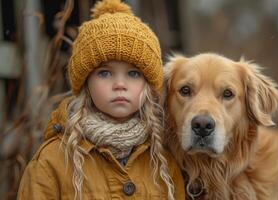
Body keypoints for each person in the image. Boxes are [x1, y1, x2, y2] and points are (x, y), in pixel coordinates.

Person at [17, 0, 185, 199]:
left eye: (133, 74)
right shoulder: (52, 161)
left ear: (148, 85)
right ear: (86, 82)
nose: (119, 84)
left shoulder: (163, 163)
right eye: (105, 73)